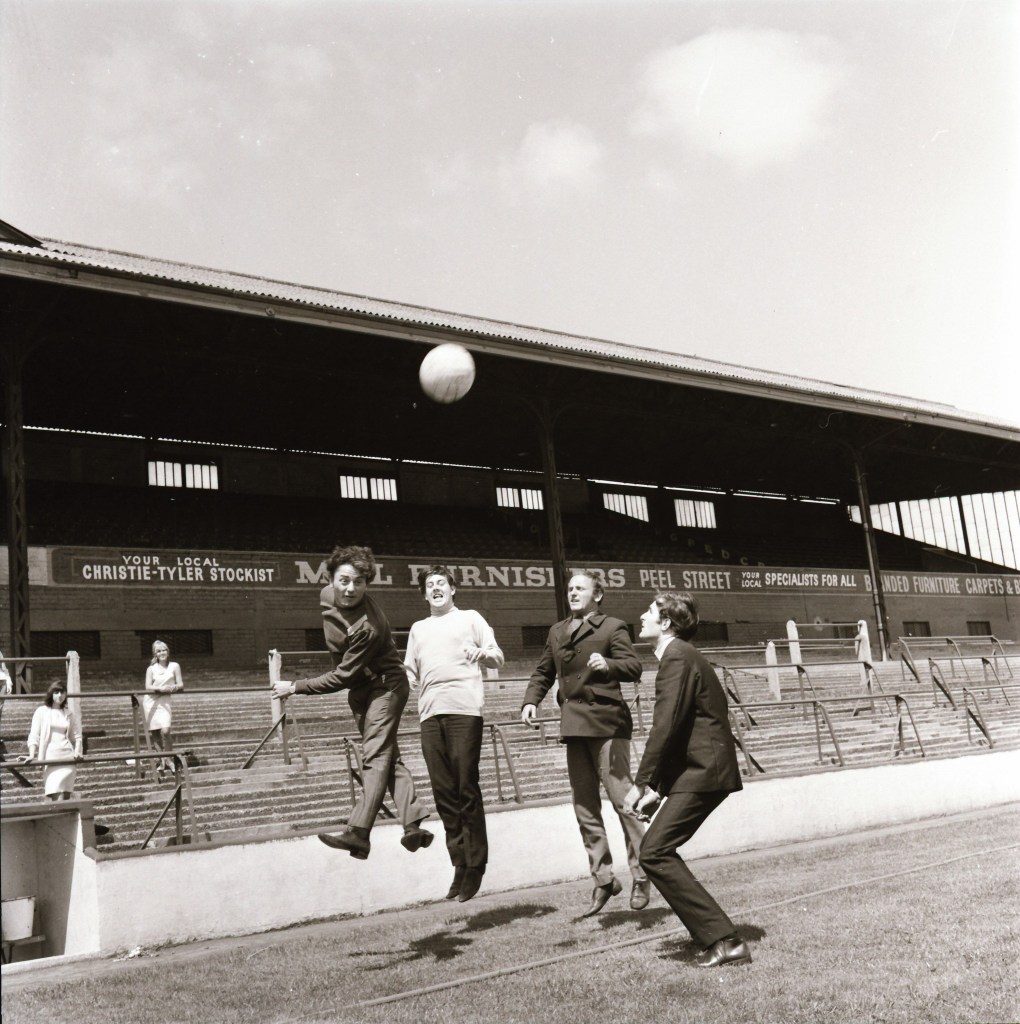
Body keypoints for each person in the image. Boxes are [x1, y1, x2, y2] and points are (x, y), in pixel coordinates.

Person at [273, 545, 432, 860]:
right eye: (344, 580)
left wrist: (295, 686)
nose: (350, 589)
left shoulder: (367, 628)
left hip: (384, 688)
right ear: (331, 577)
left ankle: (359, 833)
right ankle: (413, 824)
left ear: (367, 584)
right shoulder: (327, 595)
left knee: (374, 758)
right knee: (387, 758)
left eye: (359, 582)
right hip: (361, 691)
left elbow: (342, 675)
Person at [624, 591, 751, 968]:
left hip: (705, 772)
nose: (642, 616)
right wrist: (659, 791)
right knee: (656, 851)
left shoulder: (677, 657)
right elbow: (681, 731)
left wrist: (642, 782)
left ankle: (724, 940)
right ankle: (720, 938)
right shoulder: (681, 656)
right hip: (699, 769)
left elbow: (666, 727)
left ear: (665, 623)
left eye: (649, 612)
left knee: (654, 852)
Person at [521, 570, 649, 916]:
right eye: (570, 589)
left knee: (625, 802)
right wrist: (530, 700)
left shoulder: (612, 627)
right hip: (574, 726)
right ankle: (604, 878)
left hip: (608, 724)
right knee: (585, 807)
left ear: (598, 594)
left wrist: (607, 663)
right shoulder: (557, 631)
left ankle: (642, 873)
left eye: (581, 588)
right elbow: (543, 671)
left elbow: (633, 667)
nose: (573, 593)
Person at [405, 565, 504, 903]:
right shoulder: (418, 629)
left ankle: (476, 866)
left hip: (463, 710)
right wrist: (404, 678)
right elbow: (409, 669)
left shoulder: (471, 618)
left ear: (452, 589)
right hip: (430, 715)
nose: (435, 588)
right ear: (423, 594)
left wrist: (482, 654)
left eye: (441, 583)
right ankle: (459, 864)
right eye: (429, 585)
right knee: (444, 792)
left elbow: (498, 657)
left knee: (465, 786)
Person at [26, 681, 83, 800]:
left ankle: (65, 819)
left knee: (64, 797)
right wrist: (32, 754)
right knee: (56, 797)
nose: (59, 695)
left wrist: (77, 752)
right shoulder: (41, 711)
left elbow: (77, 737)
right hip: (50, 759)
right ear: (51, 694)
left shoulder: (69, 714)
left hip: (67, 759)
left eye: (62, 692)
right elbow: (34, 735)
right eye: (56, 692)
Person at [144, 639, 183, 781]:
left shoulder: (174, 666)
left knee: (166, 731)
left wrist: (174, 687)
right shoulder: (151, 669)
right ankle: (162, 760)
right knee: (154, 733)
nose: (162, 653)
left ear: (168, 651)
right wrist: (160, 688)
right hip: (151, 701)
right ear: (155, 654)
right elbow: (148, 686)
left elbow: (181, 684)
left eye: (164, 650)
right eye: (159, 651)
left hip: (165, 701)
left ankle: (170, 759)